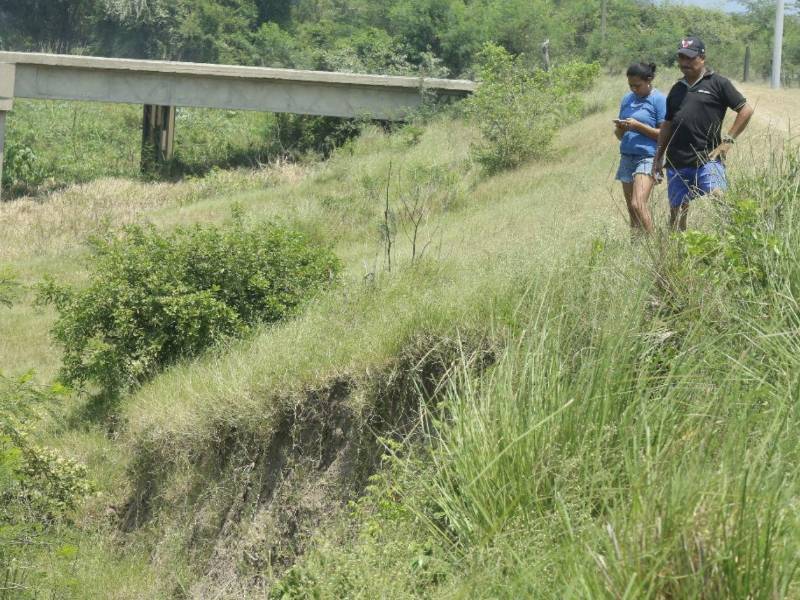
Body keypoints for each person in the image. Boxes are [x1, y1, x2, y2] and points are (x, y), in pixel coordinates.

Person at [653, 36, 754, 230]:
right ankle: (677, 247)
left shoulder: (718, 83)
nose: (685, 63)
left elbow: (746, 110)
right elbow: (667, 124)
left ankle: (732, 242)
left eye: (690, 58)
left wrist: (728, 141)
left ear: (702, 58)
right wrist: (658, 157)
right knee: (677, 215)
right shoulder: (677, 89)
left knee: (721, 200)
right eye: (681, 57)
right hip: (677, 162)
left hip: (708, 158)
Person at [614, 62, 667, 234]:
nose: (634, 89)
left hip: (648, 157)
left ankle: (654, 243)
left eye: (637, 85)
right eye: (631, 86)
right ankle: (636, 245)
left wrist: (637, 126)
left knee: (638, 203)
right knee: (632, 209)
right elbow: (620, 136)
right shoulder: (627, 99)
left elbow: (664, 134)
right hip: (627, 156)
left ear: (649, 80)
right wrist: (621, 128)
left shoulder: (659, 100)